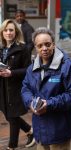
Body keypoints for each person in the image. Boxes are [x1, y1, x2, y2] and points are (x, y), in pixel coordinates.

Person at [21, 27, 71, 150]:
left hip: (59, 130)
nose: (44, 48)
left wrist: (49, 104)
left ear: (53, 44)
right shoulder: (32, 67)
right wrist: (30, 103)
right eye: (40, 46)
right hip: (39, 130)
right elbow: (25, 88)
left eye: (47, 44)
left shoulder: (69, 66)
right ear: (35, 47)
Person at [0, 19, 35, 150]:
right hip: (2, 89)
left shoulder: (23, 48)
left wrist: (11, 73)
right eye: (6, 30)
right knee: (10, 116)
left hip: (15, 88)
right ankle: (30, 131)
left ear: (16, 32)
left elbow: (28, 69)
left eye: (11, 30)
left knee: (13, 116)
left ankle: (12, 146)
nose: (8, 33)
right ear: (2, 32)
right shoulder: (1, 47)